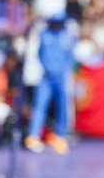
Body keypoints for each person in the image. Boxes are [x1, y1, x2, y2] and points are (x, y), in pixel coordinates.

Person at [24, 11, 77, 154]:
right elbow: (39, 53)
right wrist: (47, 68)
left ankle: (60, 136)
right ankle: (33, 136)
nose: (57, 24)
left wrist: (66, 70)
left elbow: (71, 55)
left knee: (63, 106)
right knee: (39, 105)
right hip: (46, 77)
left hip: (62, 76)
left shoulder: (68, 35)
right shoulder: (44, 34)